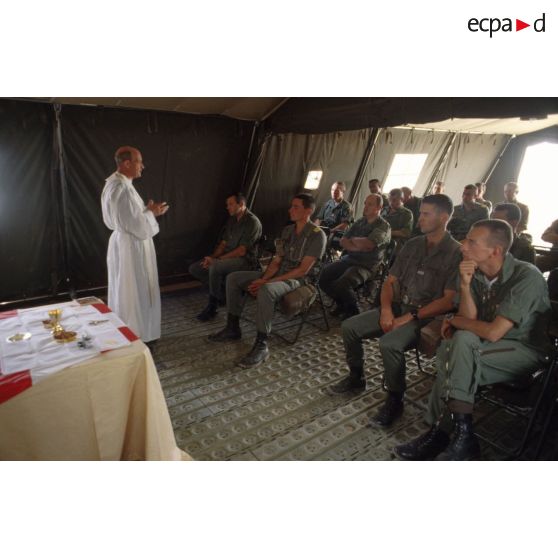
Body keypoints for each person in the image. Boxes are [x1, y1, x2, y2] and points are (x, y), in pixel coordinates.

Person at [394, 220, 551, 460]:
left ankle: (441, 435)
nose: (463, 246)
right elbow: (471, 320)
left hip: (523, 350)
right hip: (484, 344)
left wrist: (455, 320)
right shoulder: (473, 272)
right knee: (455, 347)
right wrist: (466, 287)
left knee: (455, 352)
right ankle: (460, 435)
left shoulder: (526, 276)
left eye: (471, 242)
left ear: (495, 251)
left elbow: (493, 332)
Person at [329, 195, 461, 430]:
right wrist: (386, 310)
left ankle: (395, 399)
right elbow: (390, 282)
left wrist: (408, 318)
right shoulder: (413, 245)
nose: (419, 218)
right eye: (420, 213)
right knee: (350, 327)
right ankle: (356, 376)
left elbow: (448, 301)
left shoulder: (455, 252)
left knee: (389, 343)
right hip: (400, 306)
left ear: (444, 217)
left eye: (425, 214)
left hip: (427, 316)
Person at [208, 194, 326, 368]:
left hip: (298, 280)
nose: (290, 210)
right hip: (280, 273)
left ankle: (262, 344)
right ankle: (233, 328)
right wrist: (263, 278)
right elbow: (277, 261)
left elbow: (302, 270)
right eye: (291, 206)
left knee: (267, 290)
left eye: (295, 207)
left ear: (308, 211)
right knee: (234, 278)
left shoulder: (318, 235)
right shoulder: (287, 231)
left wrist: (266, 283)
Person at [101, 146, 169, 343]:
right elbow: (136, 225)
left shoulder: (118, 184)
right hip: (131, 246)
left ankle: (135, 329)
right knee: (134, 290)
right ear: (127, 163)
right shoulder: (120, 187)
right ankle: (137, 333)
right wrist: (151, 213)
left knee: (129, 289)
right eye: (139, 161)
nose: (143, 166)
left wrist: (146, 211)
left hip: (127, 243)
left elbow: (130, 217)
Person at [189, 193, 262, 321]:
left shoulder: (252, 222)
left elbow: (241, 251)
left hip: (245, 261)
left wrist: (217, 261)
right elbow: (223, 244)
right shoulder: (232, 220)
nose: (227, 207)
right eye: (227, 205)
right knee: (195, 268)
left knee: (215, 266)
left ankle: (213, 306)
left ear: (241, 204)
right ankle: (222, 295)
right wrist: (211, 257)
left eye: (231, 204)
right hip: (228, 258)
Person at [318, 194, 390, 319]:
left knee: (343, 283)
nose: (365, 207)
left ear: (379, 207)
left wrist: (354, 241)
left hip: (367, 265)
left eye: (370, 204)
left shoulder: (383, 226)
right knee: (323, 276)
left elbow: (369, 244)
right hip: (350, 259)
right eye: (365, 203)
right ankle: (342, 304)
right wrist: (357, 245)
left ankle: (354, 311)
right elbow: (343, 241)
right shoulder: (360, 221)